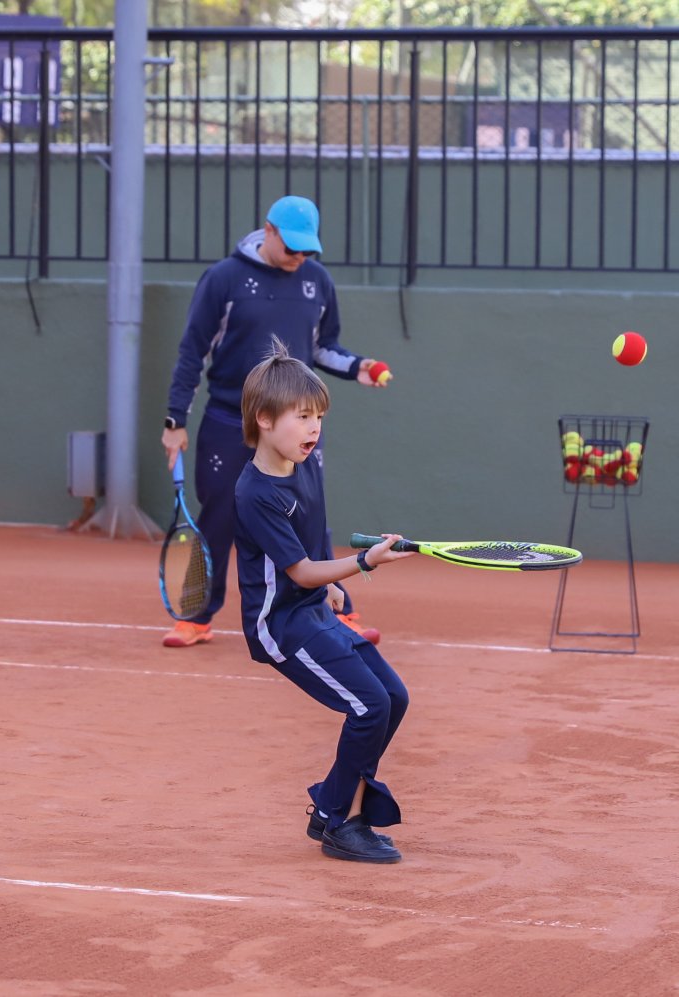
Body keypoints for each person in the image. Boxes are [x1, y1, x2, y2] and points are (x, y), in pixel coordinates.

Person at [160, 194, 390, 649]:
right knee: (218, 517)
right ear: (268, 231)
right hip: (229, 420)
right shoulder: (223, 279)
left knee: (311, 516)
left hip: (293, 425)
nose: (299, 256)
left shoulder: (317, 281)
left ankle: (338, 610)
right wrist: (175, 420)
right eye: (292, 247)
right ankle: (197, 614)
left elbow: (324, 347)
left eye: (307, 249)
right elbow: (193, 352)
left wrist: (358, 367)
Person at [235, 340, 415, 863]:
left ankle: (333, 809)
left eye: (319, 417)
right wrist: (363, 563)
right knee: (369, 705)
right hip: (280, 624)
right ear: (264, 419)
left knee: (393, 696)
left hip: (311, 607)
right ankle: (341, 823)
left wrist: (333, 584)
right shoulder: (255, 494)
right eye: (303, 417)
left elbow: (312, 536)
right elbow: (299, 570)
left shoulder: (306, 463)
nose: (314, 428)